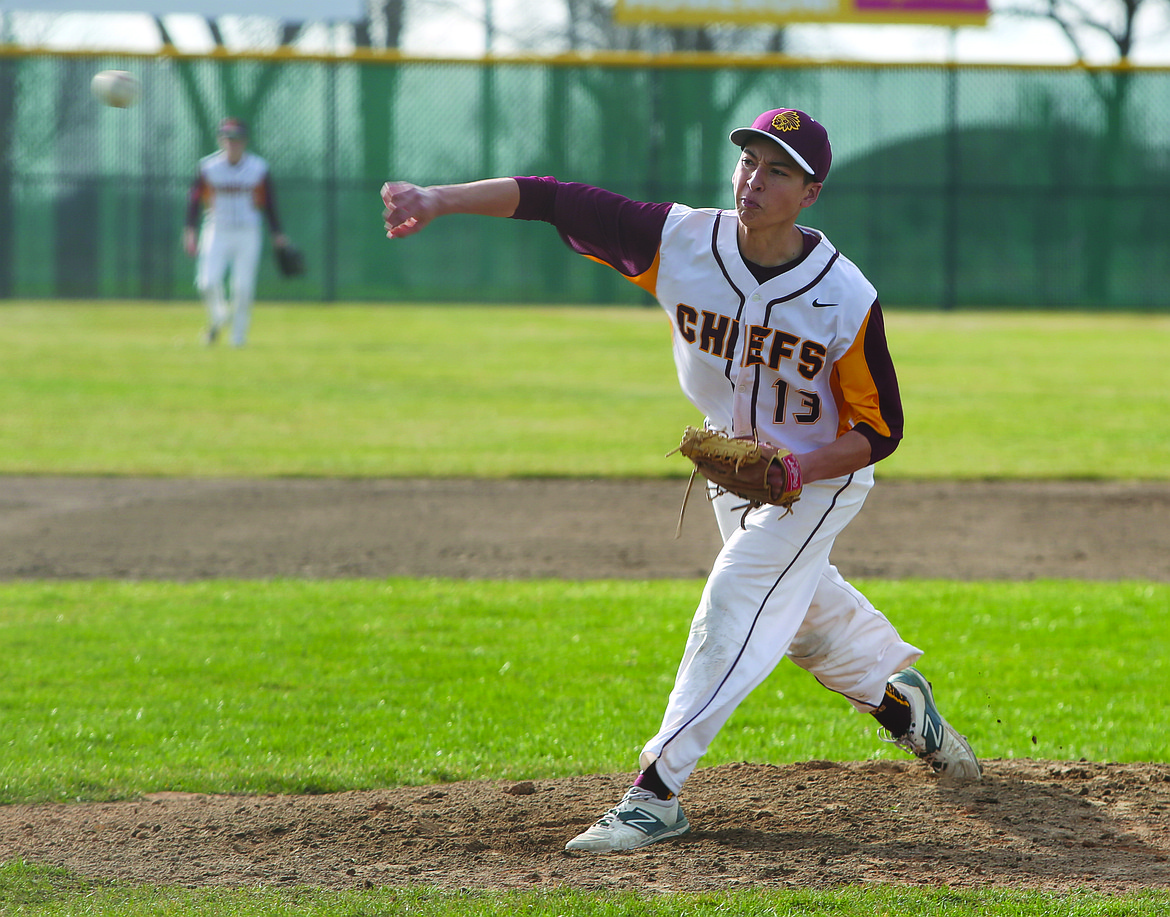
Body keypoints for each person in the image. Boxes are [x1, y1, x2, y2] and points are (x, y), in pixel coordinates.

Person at [379, 107, 982, 854]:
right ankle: (900, 703)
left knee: (736, 595)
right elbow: (552, 198)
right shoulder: (679, 240)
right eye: (749, 162)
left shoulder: (844, 297)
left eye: (777, 171)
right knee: (802, 622)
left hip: (816, 482)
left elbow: (880, 429)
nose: (754, 180)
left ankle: (656, 792)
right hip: (736, 473)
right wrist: (438, 198)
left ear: (810, 193)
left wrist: (801, 466)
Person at [183, 117, 288, 347]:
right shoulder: (208, 167)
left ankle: (238, 338)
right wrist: (189, 230)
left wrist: (277, 233)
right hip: (216, 228)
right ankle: (220, 315)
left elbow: (269, 202)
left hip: (247, 231)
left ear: (245, 141)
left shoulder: (258, 168)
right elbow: (194, 199)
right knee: (206, 282)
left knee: (243, 287)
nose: (232, 143)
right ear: (221, 140)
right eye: (228, 138)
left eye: (237, 139)